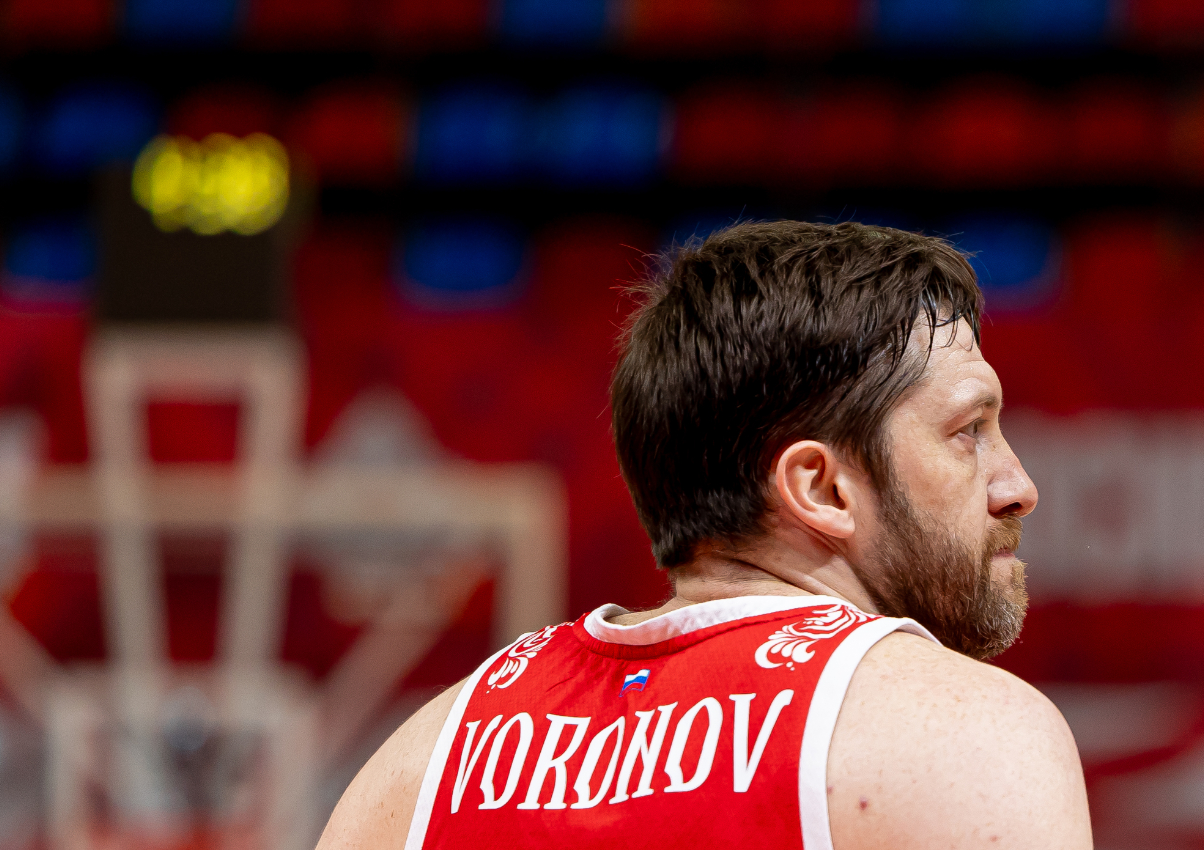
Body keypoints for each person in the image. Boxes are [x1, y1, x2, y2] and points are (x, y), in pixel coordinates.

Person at [315, 222, 1090, 850]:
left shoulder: (418, 768)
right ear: (821, 488)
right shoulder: (966, 740)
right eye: (968, 431)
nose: (1018, 486)